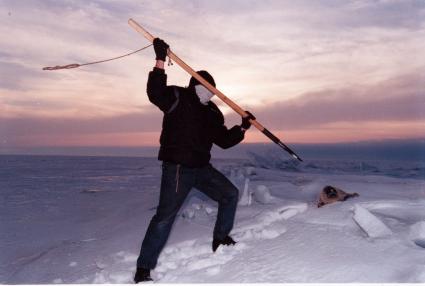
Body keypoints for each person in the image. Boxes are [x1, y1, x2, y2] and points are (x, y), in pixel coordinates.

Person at [134, 38, 255, 283]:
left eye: (212, 90)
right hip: (177, 168)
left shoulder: (212, 112)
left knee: (229, 194)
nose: (209, 93)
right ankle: (143, 269)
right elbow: (154, 93)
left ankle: (220, 238)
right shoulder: (177, 97)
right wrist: (159, 61)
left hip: (202, 168)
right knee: (165, 217)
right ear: (195, 85)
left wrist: (242, 128)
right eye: (205, 88)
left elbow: (222, 140)